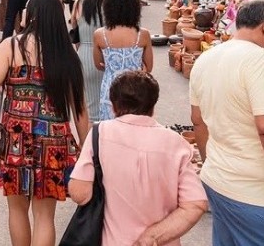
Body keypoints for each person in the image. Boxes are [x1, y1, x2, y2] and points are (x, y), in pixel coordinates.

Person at [189, 0, 264, 245]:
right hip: (255, 196)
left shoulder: (207, 58)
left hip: (221, 183)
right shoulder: (260, 60)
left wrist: (214, 164)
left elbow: (198, 123)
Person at [0, 0, 88, 246]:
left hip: (16, 139)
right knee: (44, 216)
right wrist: (86, 148)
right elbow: (80, 110)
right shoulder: (66, 54)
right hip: (54, 141)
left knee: (17, 210)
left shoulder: (11, 46)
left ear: (32, 15)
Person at [68, 71, 207, 245]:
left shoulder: (99, 133)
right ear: (153, 107)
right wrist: (151, 237)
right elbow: (196, 204)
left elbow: (80, 194)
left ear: (113, 106)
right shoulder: (176, 143)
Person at [93, 0, 153, 121]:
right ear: (135, 8)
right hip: (137, 90)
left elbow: (98, 64)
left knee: (110, 127)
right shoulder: (143, 35)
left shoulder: (100, 35)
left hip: (110, 89)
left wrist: (112, 68)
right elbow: (148, 67)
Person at [72, 0, 115, 121]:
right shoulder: (110, 5)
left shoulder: (79, 3)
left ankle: (92, 135)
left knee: (91, 108)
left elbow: (75, 32)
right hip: (105, 56)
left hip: (84, 55)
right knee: (109, 106)